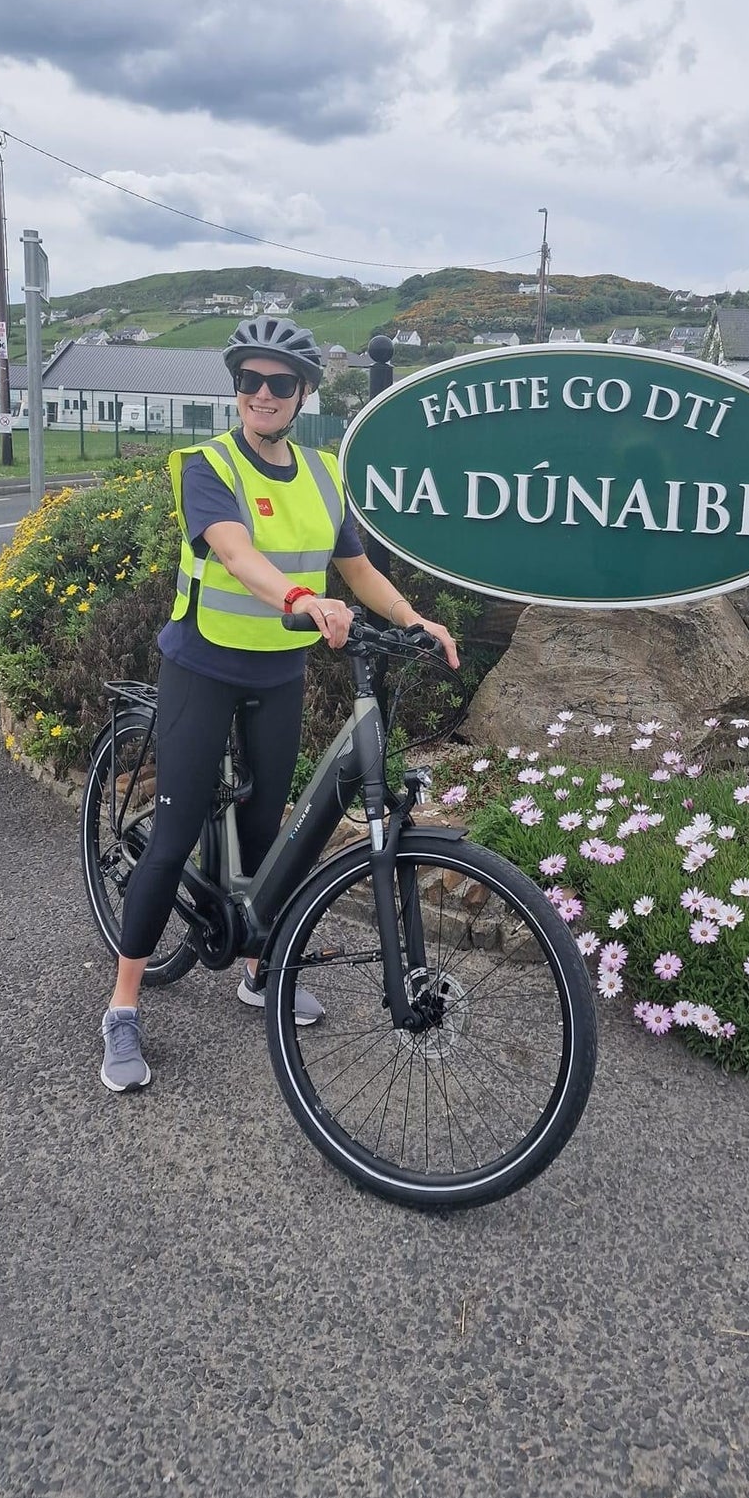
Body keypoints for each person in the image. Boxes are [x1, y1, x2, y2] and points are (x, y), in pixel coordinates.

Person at [100, 316, 459, 1092]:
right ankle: (124, 1004)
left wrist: (414, 620)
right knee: (174, 836)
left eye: (280, 383)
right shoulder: (208, 464)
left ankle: (260, 971)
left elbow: (356, 569)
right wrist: (300, 597)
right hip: (203, 663)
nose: (262, 394)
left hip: (277, 671)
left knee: (268, 829)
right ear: (237, 388)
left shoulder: (325, 475)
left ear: (303, 394)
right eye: (249, 380)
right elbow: (235, 552)